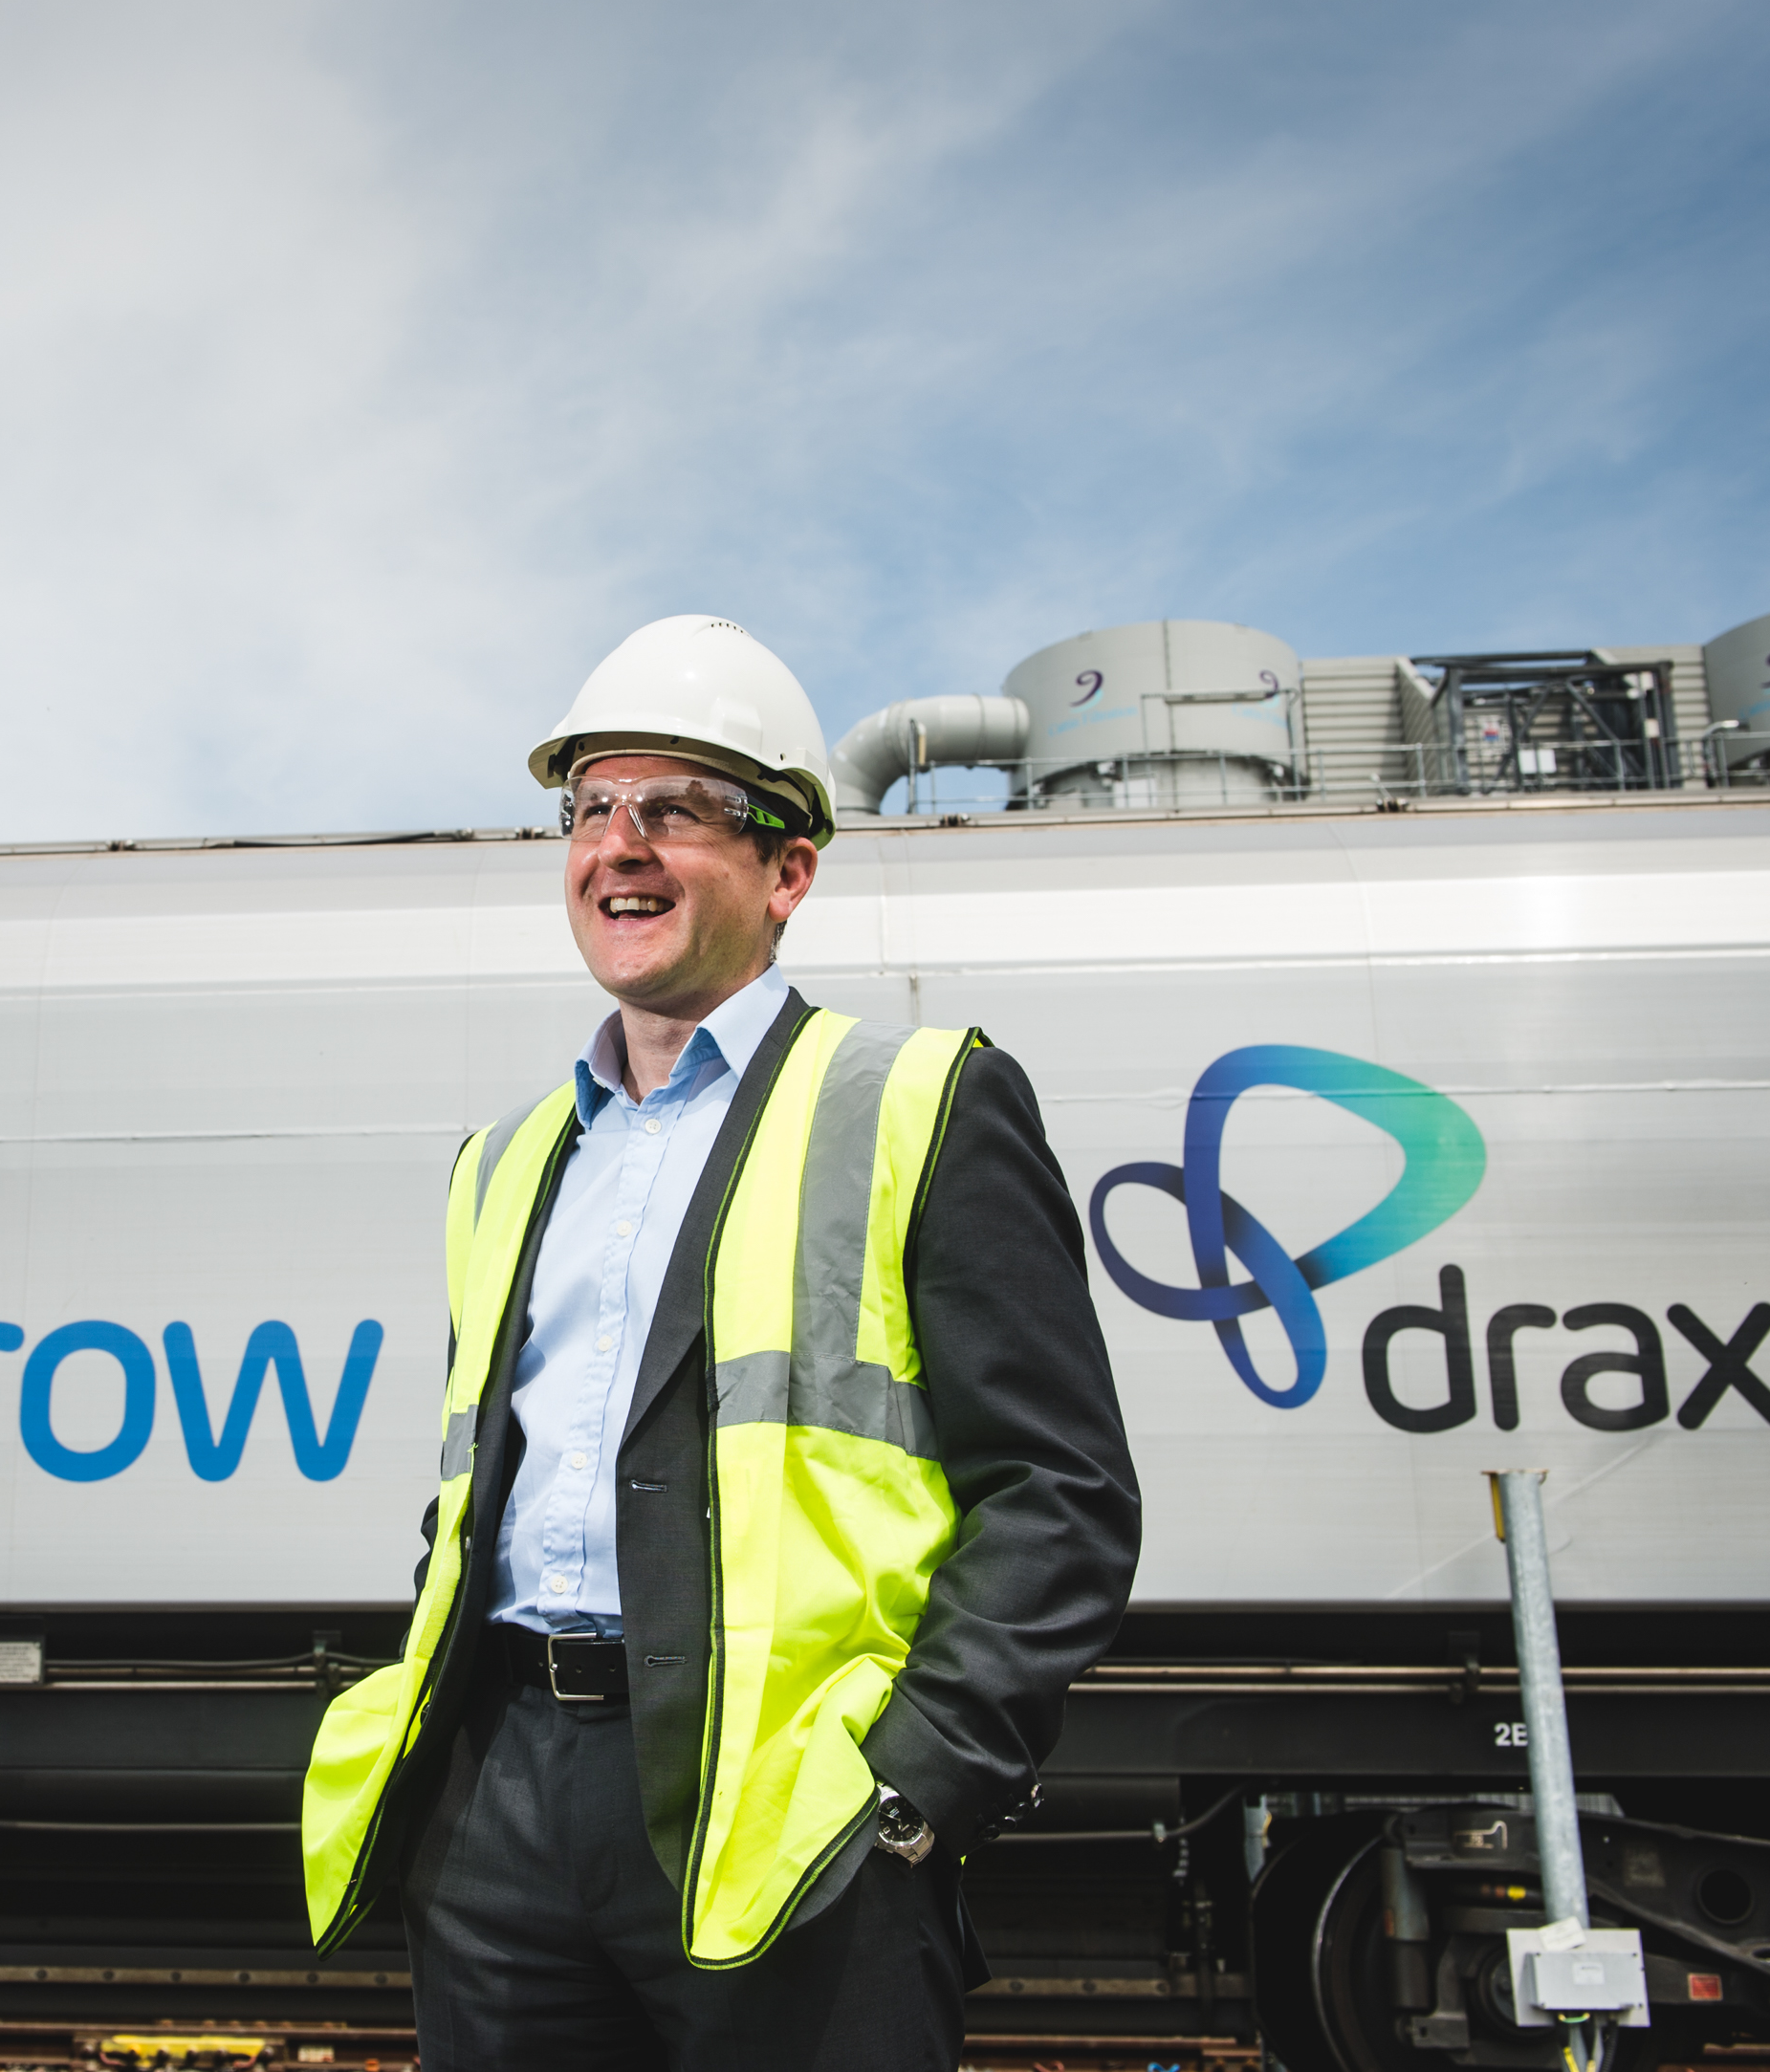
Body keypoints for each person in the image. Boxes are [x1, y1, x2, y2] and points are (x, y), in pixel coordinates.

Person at [301, 616, 1141, 2070]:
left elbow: (1060, 1494)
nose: (617, 847)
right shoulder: (504, 1162)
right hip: (503, 1808)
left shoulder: (918, 1101)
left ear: (787, 870)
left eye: (674, 809)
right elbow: (474, 1493)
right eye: (591, 807)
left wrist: (916, 1790)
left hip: (795, 1816)